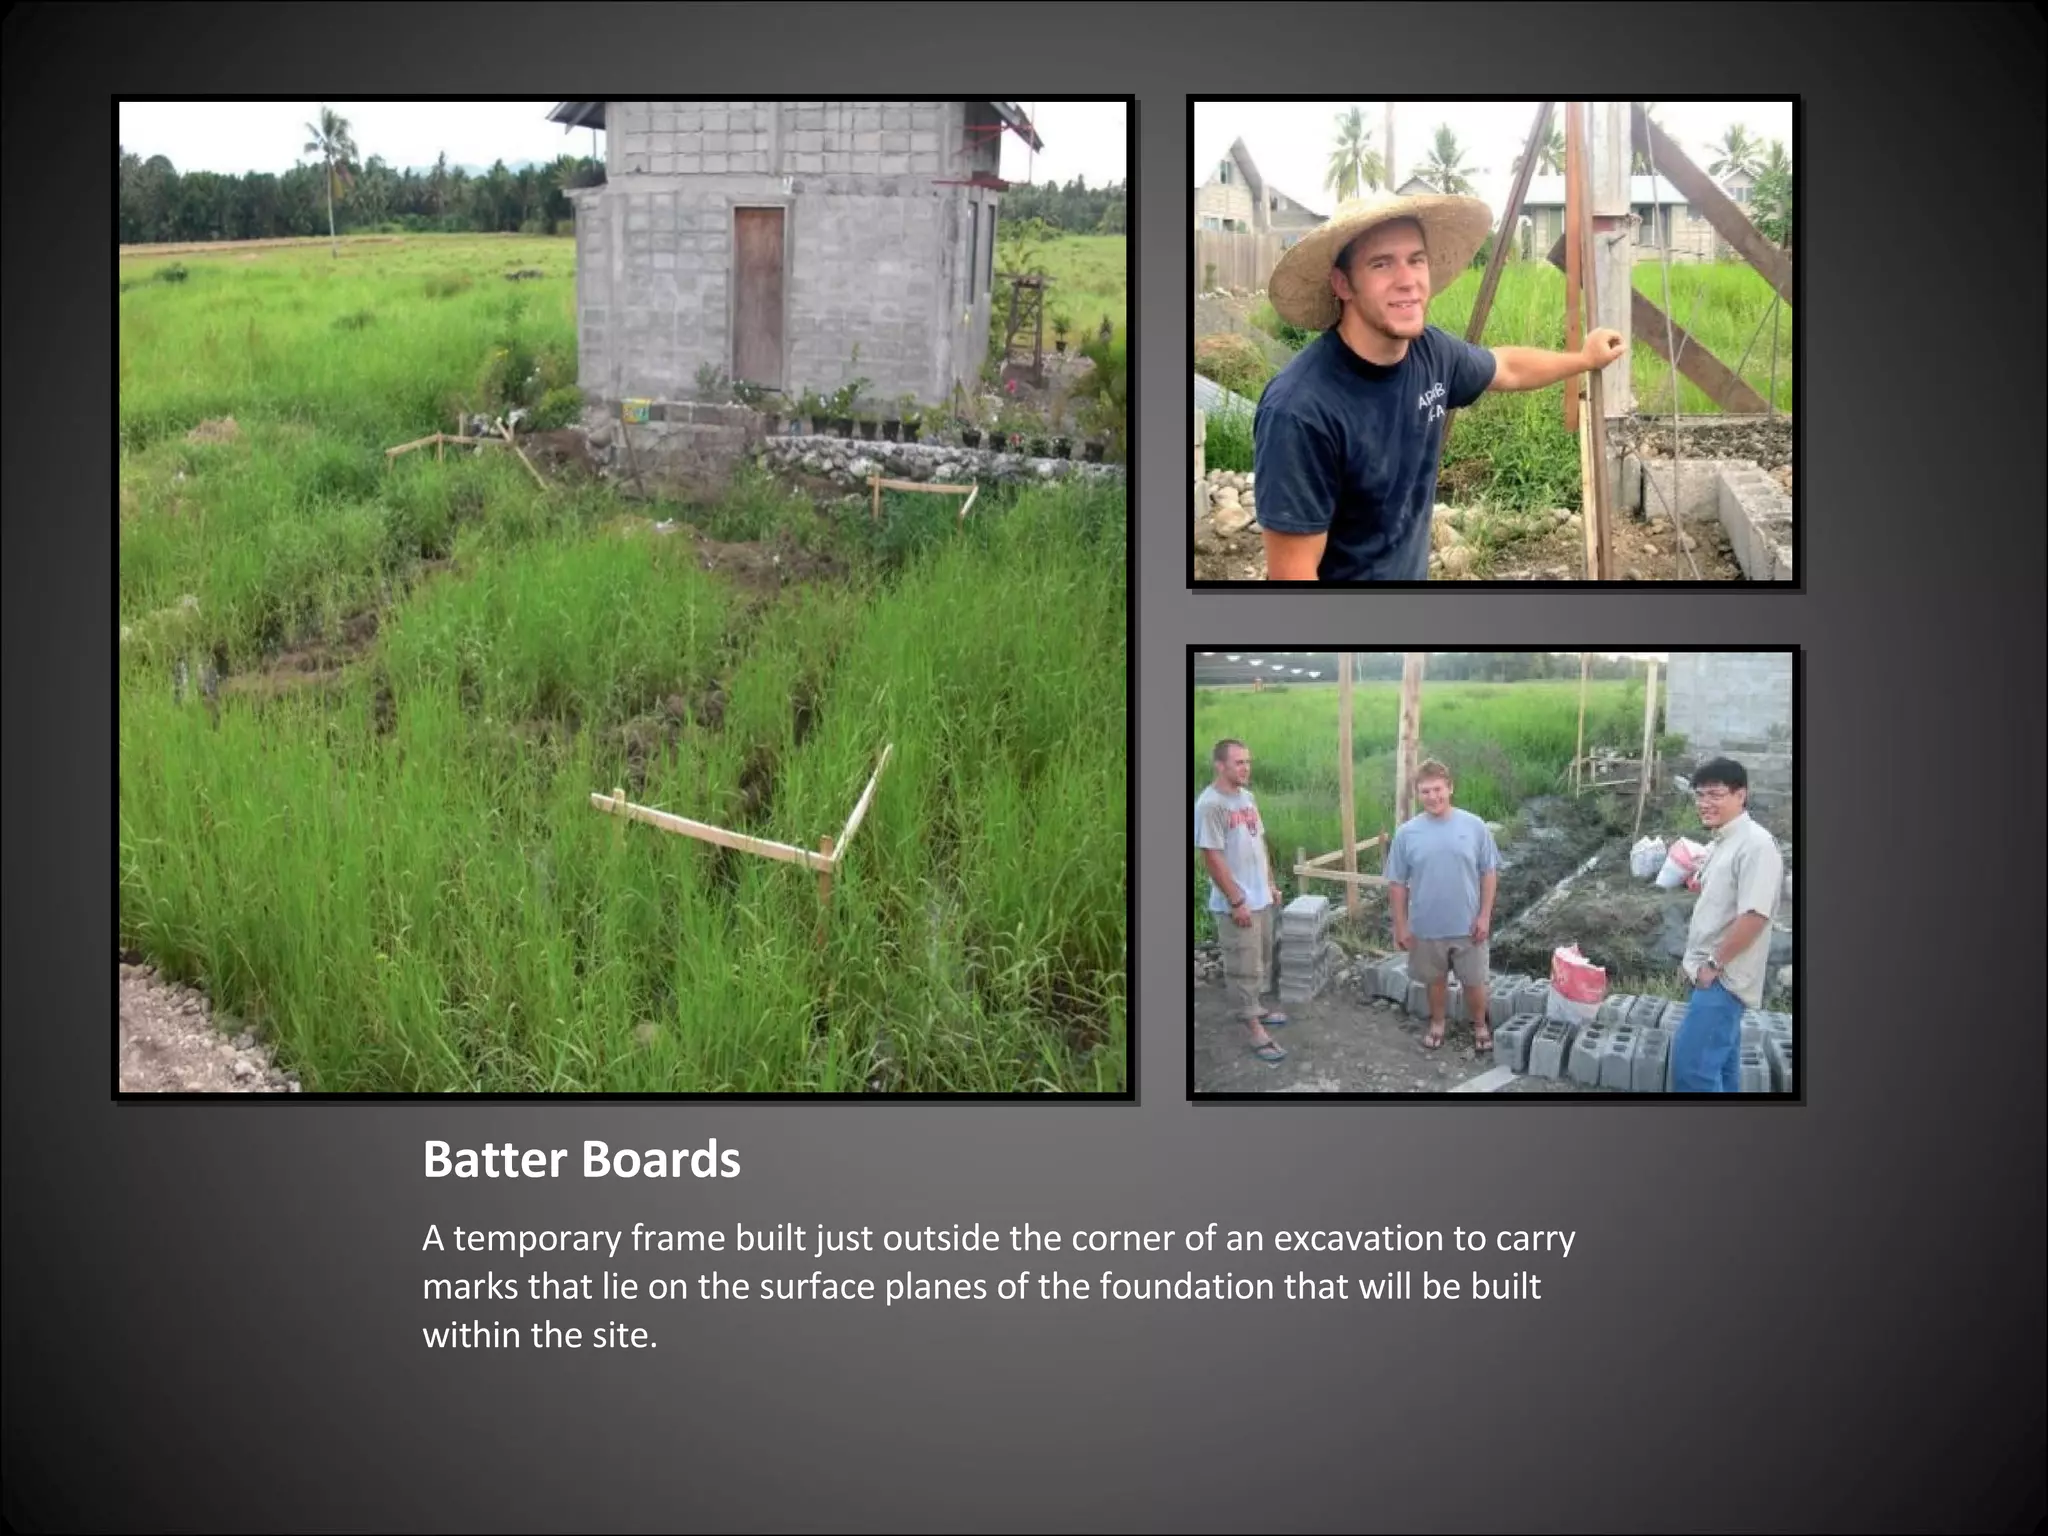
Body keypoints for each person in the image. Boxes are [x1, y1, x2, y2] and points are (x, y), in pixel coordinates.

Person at [1251, 191, 1629, 582]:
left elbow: (1507, 367)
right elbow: (1292, 580)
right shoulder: (1300, 411)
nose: (1407, 280)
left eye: (1416, 260)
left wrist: (1584, 360)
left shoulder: (1431, 352)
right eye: (1381, 264)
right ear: (1343, 284)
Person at [1672, 758, 1785, 1092]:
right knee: (1720, 1067)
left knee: (1693, 1071)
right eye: (1700, 795)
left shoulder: (1757, 845)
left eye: (1716, 794)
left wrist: (1712, 964)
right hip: (1712, 973)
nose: (1705, 803)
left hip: (1723, 979)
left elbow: (1755, 916)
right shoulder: (1725, 840)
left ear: (1741, 795)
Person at [1384, 760, 1500, 1052]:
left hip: (1468, 925)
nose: (1433, 797)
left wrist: (1485, 916)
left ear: (1450, 788)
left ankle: (1480, 1024)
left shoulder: (1474, 826)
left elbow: (1489, 871)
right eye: (1425, 791)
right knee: (1434, 981)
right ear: (1417, 794)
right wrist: (1401, 924)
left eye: (1438, 789)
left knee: (1474, 982)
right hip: (1426, 925)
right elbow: (1396, 883)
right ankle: (1438, 1023)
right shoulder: (1407, 834)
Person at [1194, 738, 1288, 1066]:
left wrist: (1271, 884)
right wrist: (1236, 900)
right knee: (1242, 966)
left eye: (1248, 761)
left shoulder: (1247, 798)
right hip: (1237, 903)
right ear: (1220, 766)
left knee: (1260, 959)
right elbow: (1212, 857)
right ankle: (1253, 1028)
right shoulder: (1210, 805)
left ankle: (1256, 1009)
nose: (1246, 768)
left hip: (1260, 897)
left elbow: (1258, 843)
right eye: (1239, 763)